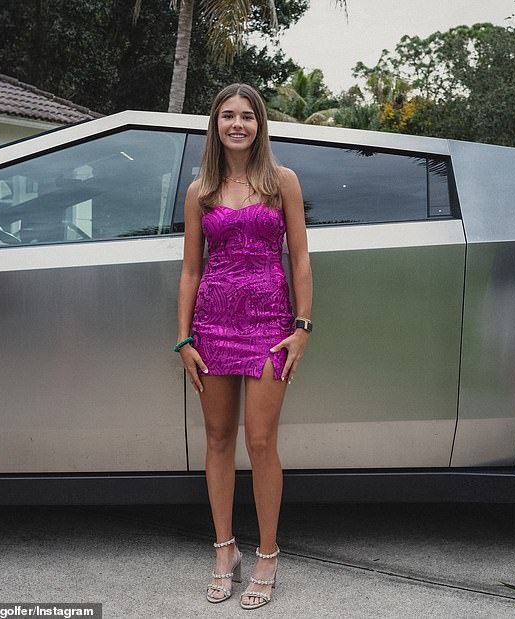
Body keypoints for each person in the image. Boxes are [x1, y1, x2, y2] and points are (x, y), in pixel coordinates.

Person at [175, 83, 313, 610]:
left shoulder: (282, 182)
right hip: (211, 326)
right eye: (227, 116)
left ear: (259, 125)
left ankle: (269, 554)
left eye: (247, 116)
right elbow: (191, 268)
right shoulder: (200, 189)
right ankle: (224, 550)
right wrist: (184, 336)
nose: (237, 124)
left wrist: (302, 327)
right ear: (214, 124)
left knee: (259, 443)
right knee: (215, 440)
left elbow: (299, 258)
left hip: (270, 327)